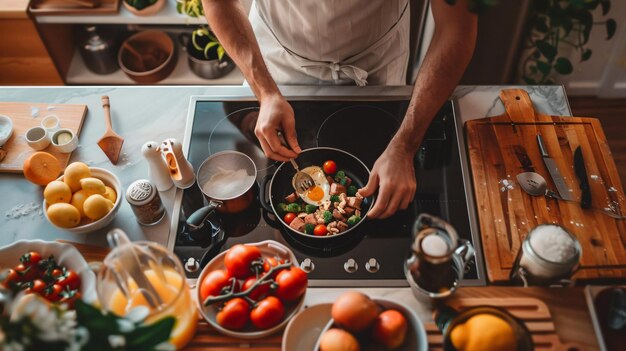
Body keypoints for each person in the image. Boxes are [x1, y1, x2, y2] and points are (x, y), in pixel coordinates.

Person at [202, 0, 477, 219]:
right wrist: (265, 92)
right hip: (277, 63)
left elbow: (457, 28)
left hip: (376, 65)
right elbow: (218, 3)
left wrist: (405, 145)